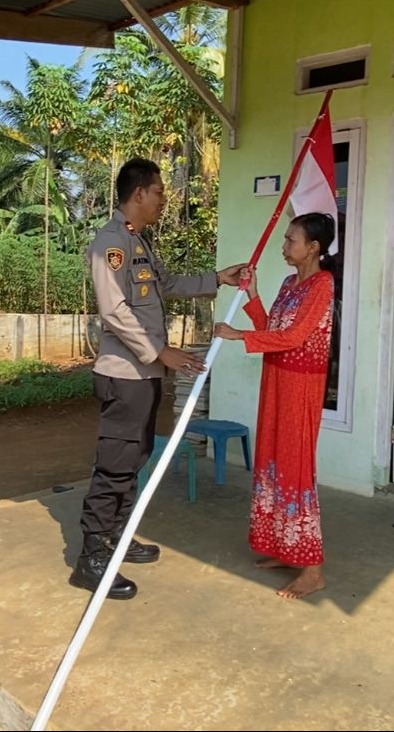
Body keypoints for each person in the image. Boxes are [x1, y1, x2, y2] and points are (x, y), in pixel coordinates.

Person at [75, 157, 248, 600]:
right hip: (125, 374)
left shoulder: (139, 242)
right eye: (159, 193)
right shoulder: (109, 243)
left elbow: (165, 283)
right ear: (138, 194)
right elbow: (113, 310)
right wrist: (160, 351)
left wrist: (218, 278)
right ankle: (91, 557)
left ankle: (117, 536)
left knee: (134, 460)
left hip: (145, 374)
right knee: (115, 464)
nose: (162, 201)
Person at [213, 213, 336, 600]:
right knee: (274, 461)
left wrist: (238, 336)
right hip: (276, 380)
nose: (284, 247)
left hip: (301, 386)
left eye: (291, 241)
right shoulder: (289, 283)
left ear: (313, 248)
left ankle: (313, 570)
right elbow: (273, 331)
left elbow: (297, 337)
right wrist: (252, 295)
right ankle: (286, 548)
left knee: (296, 467)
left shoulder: (323, 284)